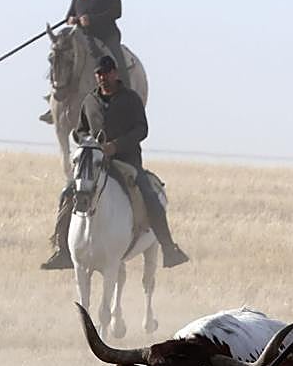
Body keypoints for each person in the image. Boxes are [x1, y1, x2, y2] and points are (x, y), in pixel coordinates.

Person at [40, 56, 189, 270]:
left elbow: (141, 129)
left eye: (107, 73)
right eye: (99, 74)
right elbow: (81, 129)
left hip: (125, 160)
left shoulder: (131, 100)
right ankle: (62, 250)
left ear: (115, 74)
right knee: (68, 192)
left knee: (149, 193)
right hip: (95, 163)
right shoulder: (90, 101)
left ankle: (168, 248)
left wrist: (116, 146)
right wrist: (86, 142)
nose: (103, 78)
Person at [40, 0, 130, 125]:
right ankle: (55, 102)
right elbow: (69, 15)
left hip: (106, 35)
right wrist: (72, 20)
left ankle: (126, 96)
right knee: (60, 58)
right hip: (83, 37)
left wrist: (92, 19)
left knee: (116, 59)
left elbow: (116, 12)